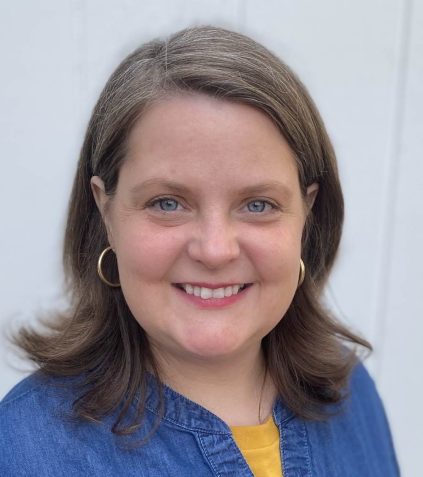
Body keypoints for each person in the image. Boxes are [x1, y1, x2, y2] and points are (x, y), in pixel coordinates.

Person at [0, 26, 399, 476]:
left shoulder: (349, 394)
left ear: (305, 212)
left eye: (258, 204)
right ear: (104, 209)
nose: (214, 250)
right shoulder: (24, 449)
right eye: (167, 203)